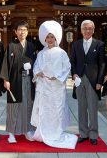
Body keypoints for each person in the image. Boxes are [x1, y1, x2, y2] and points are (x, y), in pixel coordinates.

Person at [30, 20, 77, 149]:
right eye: (48, 37)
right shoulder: (41, 53)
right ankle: (43, 132)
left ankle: (56, 133)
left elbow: (67, 68)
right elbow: (36, 67)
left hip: (57, 87)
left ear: (56, 38)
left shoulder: (62, 53)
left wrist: (58, 77)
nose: (50, 39)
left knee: (56, 110)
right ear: (44, 38)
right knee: (44, 110)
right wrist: (38, 73)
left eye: (52, 37)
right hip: (44, 86)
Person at [0, 21, 36, 143]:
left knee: (28, 105)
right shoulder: (11, 45)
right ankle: (11, 133)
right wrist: (6, 79)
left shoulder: (31, 46)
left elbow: (36, 63)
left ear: (27, 31)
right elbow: (6, 63)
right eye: (20, 30)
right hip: (15, 80)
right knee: (13, 107)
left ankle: (27, 130)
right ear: (15, 32)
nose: (22, 32)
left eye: (24, 30)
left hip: (29, 80)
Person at [70, 20, 105, 145]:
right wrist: (73, 74)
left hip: (93, 80)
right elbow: (72, 62)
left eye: (90, 28)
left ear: (93, 30)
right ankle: (83, 133)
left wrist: (100, 81)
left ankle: (93, 134)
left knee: (92, 108)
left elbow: (102, 64)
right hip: (79, 80)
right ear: (81, 30)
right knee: (81, 107)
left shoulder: (99, 44)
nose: (87, 30)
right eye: (85, 28)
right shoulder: (76, 44)